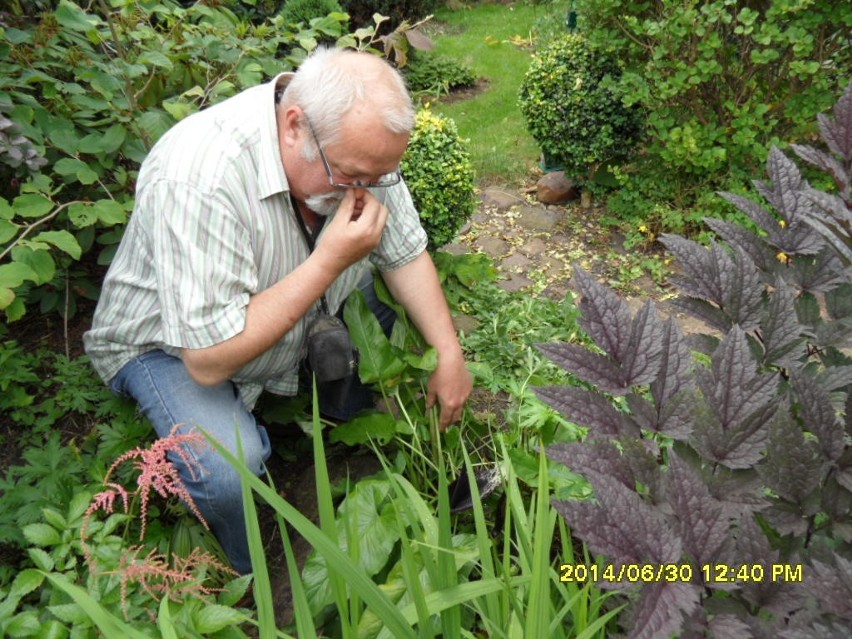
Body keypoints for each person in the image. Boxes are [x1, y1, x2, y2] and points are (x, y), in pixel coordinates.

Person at [83, 47, 472, 574]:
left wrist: (449, 352)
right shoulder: (200, 174)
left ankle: (341, 424)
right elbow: (208, 358)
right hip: (170, 346)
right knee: (229, 471)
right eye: (352, 176)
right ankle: (262, 577)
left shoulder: (357, 153)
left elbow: (403, 251)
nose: (365, 190)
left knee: (381, 322)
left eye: (378, 178)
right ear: (294, 126)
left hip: (279, 312)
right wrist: (332, 259)